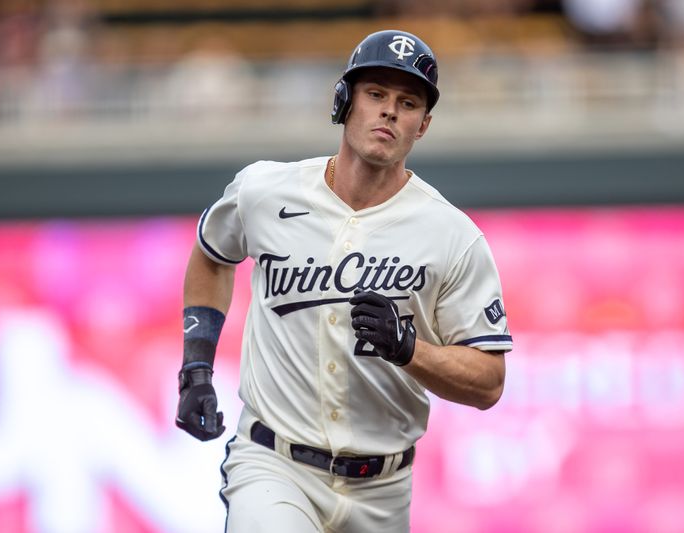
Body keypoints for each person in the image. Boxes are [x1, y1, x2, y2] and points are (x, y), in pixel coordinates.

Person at [175, 29, 513, 532]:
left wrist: (409, 348)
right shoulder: (265, 190)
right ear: (344, 100)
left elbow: (489, 381)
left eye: (408, 101)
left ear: (423, 124)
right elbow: (211, 255)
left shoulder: (452, 235)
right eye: (375, 94)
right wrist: (196, 367)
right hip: (274, 465)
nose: (390, 111)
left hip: (383, 488)